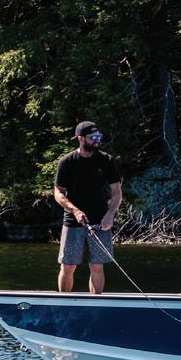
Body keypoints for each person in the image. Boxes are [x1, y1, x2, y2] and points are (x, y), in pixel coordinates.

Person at [54, 120, 122, 294]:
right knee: (68, 266)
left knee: (97, 266)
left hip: (100, 220)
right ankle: (64, 302)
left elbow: (116, 192)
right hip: (73, 221)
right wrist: (75, 211)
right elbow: (58, 193)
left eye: (99, 137)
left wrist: (110, 215)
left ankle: (96, 302)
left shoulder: (106, 160)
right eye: (93, 138)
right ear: (81, 138)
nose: (97, 141)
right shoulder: (67, 162)